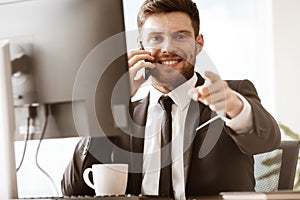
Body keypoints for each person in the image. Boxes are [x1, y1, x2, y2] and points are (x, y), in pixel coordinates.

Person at [61, 0, 281, 199]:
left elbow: (266, 141)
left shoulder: (230, 96)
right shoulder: (122, 114)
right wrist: (109, 106)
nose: (167, 48)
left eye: (180, 36)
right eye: (156, 38)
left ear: (199, 43)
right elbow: (73, 189)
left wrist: (234, 107)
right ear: (141, 46)